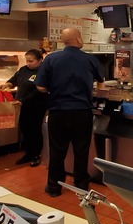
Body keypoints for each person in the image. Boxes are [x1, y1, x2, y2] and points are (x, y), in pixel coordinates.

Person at [35, 27, 103, 197]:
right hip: (82, 113)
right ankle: (81, 186)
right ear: (78, 39)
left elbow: (40, 86)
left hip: (58, 112)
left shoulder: (51, 59)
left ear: (63, 41)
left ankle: (54, 187)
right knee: (81, 150)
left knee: (57, 150)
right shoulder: (90, 60)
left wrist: (56, 90)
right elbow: (100, 85)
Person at [0, 49, 49, 167]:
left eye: (31, 61)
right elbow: (14, 80)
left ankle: (36, 155)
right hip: (22, 105)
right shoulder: (23, 70)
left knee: (35, 129)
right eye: (27, 61)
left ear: (40, 60)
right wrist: (8, 84)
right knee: (25, 129)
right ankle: (28, 153)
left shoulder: (43, 72)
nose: (29, 63)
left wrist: (23, 101)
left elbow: (38, 90)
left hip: (37, 105)